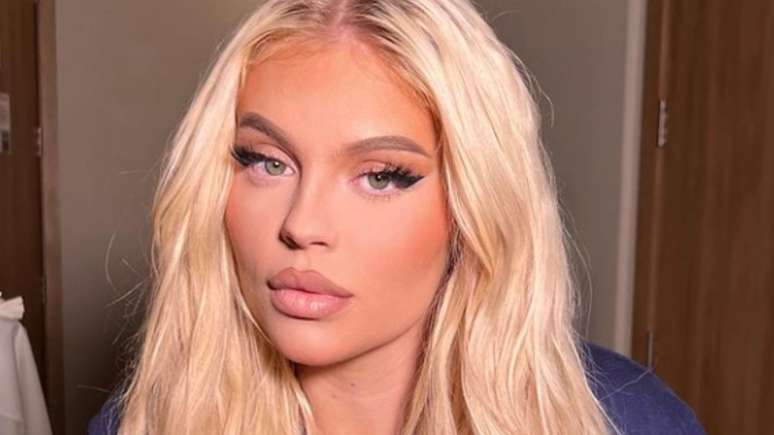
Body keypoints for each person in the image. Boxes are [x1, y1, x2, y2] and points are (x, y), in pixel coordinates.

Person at [88, 0, 706, 434]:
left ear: (474, 206)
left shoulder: (626, 421)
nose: (302, 224)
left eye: (381, 175)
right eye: (267, 162)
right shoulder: (146, 422)